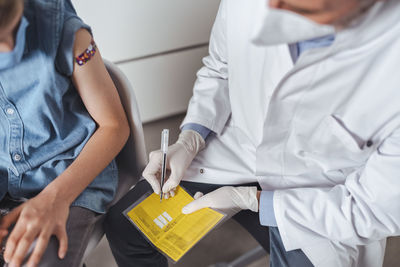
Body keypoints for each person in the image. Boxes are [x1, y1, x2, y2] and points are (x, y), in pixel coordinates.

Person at [105, 0, 400, 266]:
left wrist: (255, 201)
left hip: (322, 196)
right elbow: (220, 68)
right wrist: (192, 137)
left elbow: (373, 209)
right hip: (238, 149)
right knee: (127, 228)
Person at [0, 0, 129, 266]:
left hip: (69, 176)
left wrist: (54, 199)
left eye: (11, 27)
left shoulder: (64, 30)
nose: (9, 48)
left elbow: (114, 126)